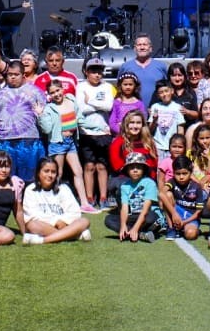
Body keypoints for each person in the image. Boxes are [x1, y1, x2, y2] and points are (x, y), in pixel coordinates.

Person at [35, 79, 93, 212]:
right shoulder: (49, 108)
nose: (56, 94)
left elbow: (79, 119)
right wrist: (40, 115)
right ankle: (51, 203)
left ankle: (84, 203)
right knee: (57, 173)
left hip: (71, 142)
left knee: (78, 171)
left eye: (57, 90)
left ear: (62, 89)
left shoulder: (71, 100)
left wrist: (97, 127)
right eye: (52, 92)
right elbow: (47, 129)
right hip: (58, 143)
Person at [0, 56, 45, 183]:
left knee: (29, 176)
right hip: (4, 140)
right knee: (5, 176)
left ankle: (27, 201)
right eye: (10, 74)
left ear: (23, 75)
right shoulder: (1, 93)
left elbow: (44, 114)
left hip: (28, 139)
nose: (12, 77)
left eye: (16, 74)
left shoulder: (36, 92)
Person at [21, 157, 91, 245]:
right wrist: (54, 222)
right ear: (38, 173)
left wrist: (63, 220)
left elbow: (75, 212)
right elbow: (33, 215)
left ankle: (43, 240)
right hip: (44, 225)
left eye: (53, 172)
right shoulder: (30, 189)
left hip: (64, 225)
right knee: (32, 225)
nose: (50, 175)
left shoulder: (63, 188)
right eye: (46, 171)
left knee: (84, 221)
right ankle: (75, 235)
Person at [76, 56, 114, 211]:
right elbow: (81, 108)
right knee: (89, 165)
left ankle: (103, 198)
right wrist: (97, 105)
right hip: (86, 132)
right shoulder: (81, 87)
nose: (97, 75)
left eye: (99, 71)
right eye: (93, 71)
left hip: (103, 132)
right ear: (86, 71)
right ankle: (89, 198)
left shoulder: (106, 87)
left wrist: (90, 101)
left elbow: (108, 106)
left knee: (102, 166)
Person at [106, 153, 164, 242]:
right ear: (127, 170)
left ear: (143, 169)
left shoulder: (150, 183)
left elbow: (146, 209)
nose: (135, 170)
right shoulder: (124, 186)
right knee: (109, 220)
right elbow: (124, 208)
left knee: (153, 217)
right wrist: (123, 225)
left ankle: (134, 232)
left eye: (138, 167)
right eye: (132, 168)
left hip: (147, 215)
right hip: (133, 215)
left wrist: (136, 228)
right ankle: (140, 234)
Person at [159, 155, 207, 240]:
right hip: (176, 213)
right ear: (173, 173)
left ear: (190, 173)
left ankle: (189, 229)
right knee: (167, 194)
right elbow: (161, 194)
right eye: (178, 174)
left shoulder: (197, 187)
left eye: (184, 173)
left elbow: (198, 213)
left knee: (190, 234)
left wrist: (184, 222)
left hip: (190, 218)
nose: (181, 177)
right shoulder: (172, 181)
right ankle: (171, 228)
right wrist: (174, 213)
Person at [117, 34, 168, 109]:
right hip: (132, 113)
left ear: (150, 48)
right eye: (139, 45)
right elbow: (119, 88)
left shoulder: (161, 66)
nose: (142, 47)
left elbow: (167, 88)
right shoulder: (125, 67)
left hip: (157, 111)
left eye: (145, 44)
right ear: (134, 48)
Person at [148, 81, 185, 159]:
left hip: (172, 148)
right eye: (161, 92)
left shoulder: (177, 107)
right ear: (158, 95)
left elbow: (180, 130)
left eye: (166, 91)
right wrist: (154, 120)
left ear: (172, 91)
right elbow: (150, 131)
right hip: (157, 147)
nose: (164, 94)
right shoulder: (155, 106)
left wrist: (179, 146)